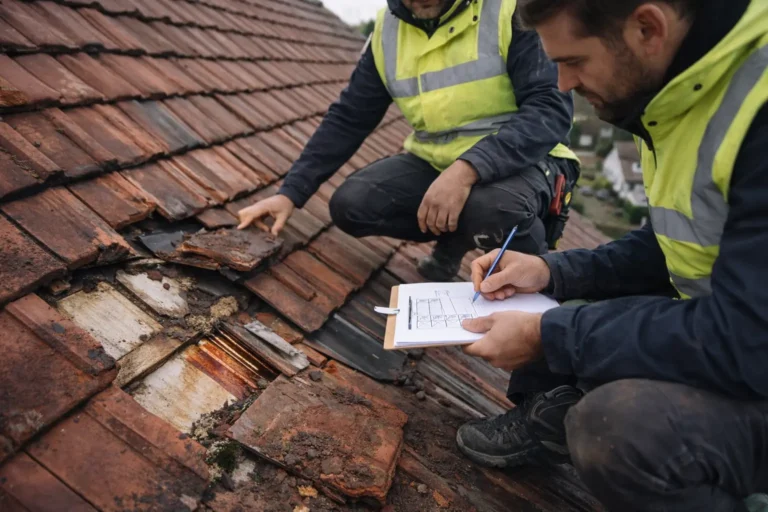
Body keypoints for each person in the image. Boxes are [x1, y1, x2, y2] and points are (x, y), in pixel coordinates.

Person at [454, 0, 768, 510]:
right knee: (566, 310)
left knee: (621, 429)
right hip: (740, 327)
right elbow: (671, 241)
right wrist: (551, 271)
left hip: (750, 348)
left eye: (574, 61)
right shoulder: (676, 85)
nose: (561, 84)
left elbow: (746, 341)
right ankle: (547, 412)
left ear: (647, 27)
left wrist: (550, 335)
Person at [238, 0, 581, 281]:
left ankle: (540, 282)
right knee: (352, 206)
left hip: (529, 160)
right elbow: (349, 117)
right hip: (437, 161)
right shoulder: (388, 31)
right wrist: (290, 193)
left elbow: (549, 109)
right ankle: (455, 235)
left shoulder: (511, 10)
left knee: (491, 209)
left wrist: (466, 171)